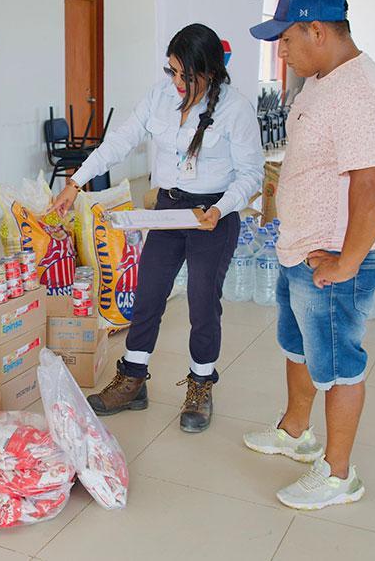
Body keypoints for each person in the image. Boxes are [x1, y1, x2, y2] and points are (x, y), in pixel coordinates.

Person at [50, 23, 263, 433]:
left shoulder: (235, 109)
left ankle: (201, 385)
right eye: (172, 71)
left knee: (203, 302)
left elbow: (251, 174)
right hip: (167, 209)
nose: (177, 82)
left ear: (211, 71)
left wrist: (220, 209)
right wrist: (76, 183)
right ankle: (133, 379)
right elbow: (120, 140)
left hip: (212, 216)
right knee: (147, 294)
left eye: (187, 74)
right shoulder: (161, 96)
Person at [243, 0, 375, 510]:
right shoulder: (321, 79)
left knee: (338, 366)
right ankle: (295, 432)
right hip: (302, 250)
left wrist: (347, 262)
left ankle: (338, 476)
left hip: (333, 259)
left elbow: (373, 186)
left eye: (285, 40)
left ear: (316, 29)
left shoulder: (359, 91)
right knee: (298, 348)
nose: (279, 51)